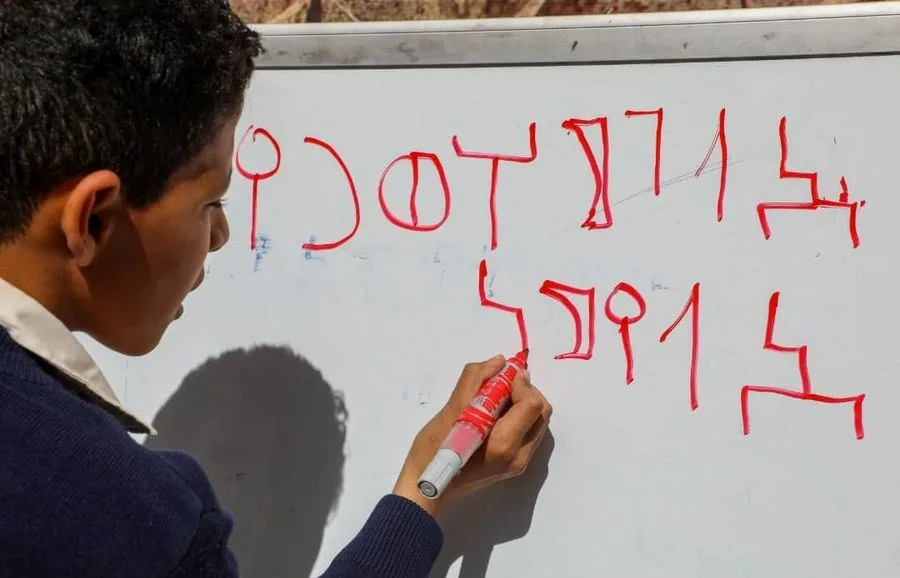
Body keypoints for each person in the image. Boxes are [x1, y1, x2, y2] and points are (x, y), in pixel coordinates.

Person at [0, 1, 553, 577]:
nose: (222, 234)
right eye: (211, 202)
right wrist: (422, 495)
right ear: (93, 220)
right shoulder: (133, 519)